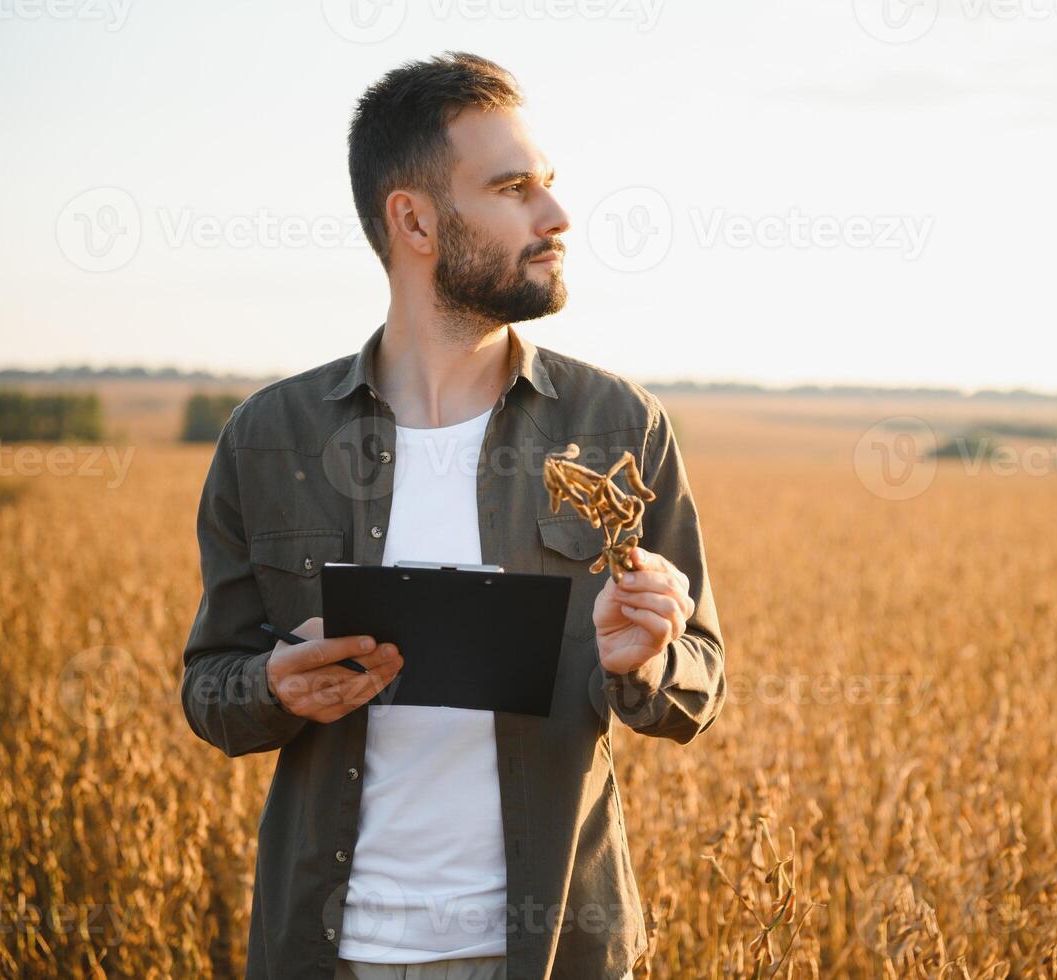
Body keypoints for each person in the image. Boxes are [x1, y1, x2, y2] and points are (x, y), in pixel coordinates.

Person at [180, 51, 726, 980]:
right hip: (327, 952)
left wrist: (646, 658)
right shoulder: (269, 438)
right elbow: (210, 688)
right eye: (514, 189)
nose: (555, 216)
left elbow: (697, 686)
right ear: (415, 219)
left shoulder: (618, 426)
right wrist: (275, 685)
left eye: (548, 186)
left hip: (551, 949)